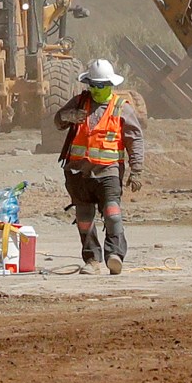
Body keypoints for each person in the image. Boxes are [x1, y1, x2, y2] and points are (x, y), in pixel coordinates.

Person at [52, 58, 144, 274]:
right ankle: (92, 260)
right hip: (77, 172)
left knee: (112, 214)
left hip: (108, 171)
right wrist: (67, 116)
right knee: (84, 218)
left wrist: (136, 169)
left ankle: (115, 254)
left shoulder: (122, 108)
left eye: (102, 86)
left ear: (111, 85)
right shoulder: (78, 102)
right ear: (89, 84)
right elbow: (58, 121)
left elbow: (135, 139)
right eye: (95, 85)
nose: (98, 89)